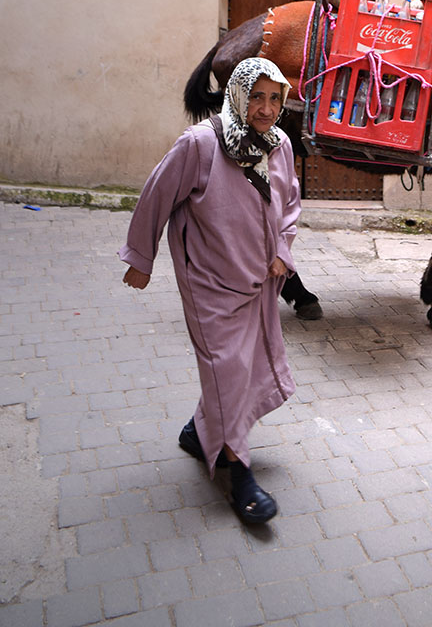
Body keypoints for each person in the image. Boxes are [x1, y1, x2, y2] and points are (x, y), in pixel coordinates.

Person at [119, 57, 300, 525]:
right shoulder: (201, 143)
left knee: (245, 367)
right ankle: (236, 471)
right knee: (228, 368)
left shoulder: (279, 145)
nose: (265, 108)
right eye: (256, 96)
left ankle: (199, 433)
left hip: (259, 280)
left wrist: (283, 248)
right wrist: (142, 258)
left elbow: (290, 203)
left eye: (274, 98)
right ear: (237, 95)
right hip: (210, 284)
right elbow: (157, 194)